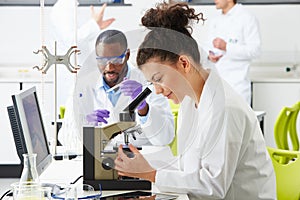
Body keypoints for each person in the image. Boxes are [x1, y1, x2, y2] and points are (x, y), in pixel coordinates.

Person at [114, 2, 276, 199]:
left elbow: (212, 188)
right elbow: (186, 165)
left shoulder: (224, 107)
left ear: (184, 63)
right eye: (151, 82)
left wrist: (151, 173)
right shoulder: (190, 102)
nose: (156, 90)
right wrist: (148, 176)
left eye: (158, 79)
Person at [59, 29, 175, 153]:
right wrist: (85, 124)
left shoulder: (148, 80)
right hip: (100, 161)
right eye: (102, 61)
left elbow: (165, 138)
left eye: (116, 60)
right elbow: (65, 139)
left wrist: (144, 108)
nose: (109, 68)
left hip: (141, 161)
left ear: (127, 55)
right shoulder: (83, 86)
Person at [206, 0, 261, 105]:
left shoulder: (246, 18)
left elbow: (255, 51)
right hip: (217, 87)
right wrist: (210, 55)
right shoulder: (215, 20)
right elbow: (209, 46)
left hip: (238, 87)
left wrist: (227, 47)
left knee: (237, 120)